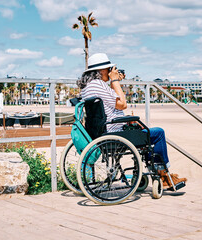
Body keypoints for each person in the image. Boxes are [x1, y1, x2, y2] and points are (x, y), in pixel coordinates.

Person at [77, 53, 187, 189]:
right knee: (157, 133)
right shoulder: (98, 84)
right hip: (114, 132)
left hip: (101, 131)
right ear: (102, 71)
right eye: (109, 68)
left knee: (143, 134)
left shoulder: (89, 86)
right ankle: (163, 175)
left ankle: (160, 175)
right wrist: (115, 81)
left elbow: (109, 102)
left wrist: (114, 82)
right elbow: (122, 104)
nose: (112, 71)